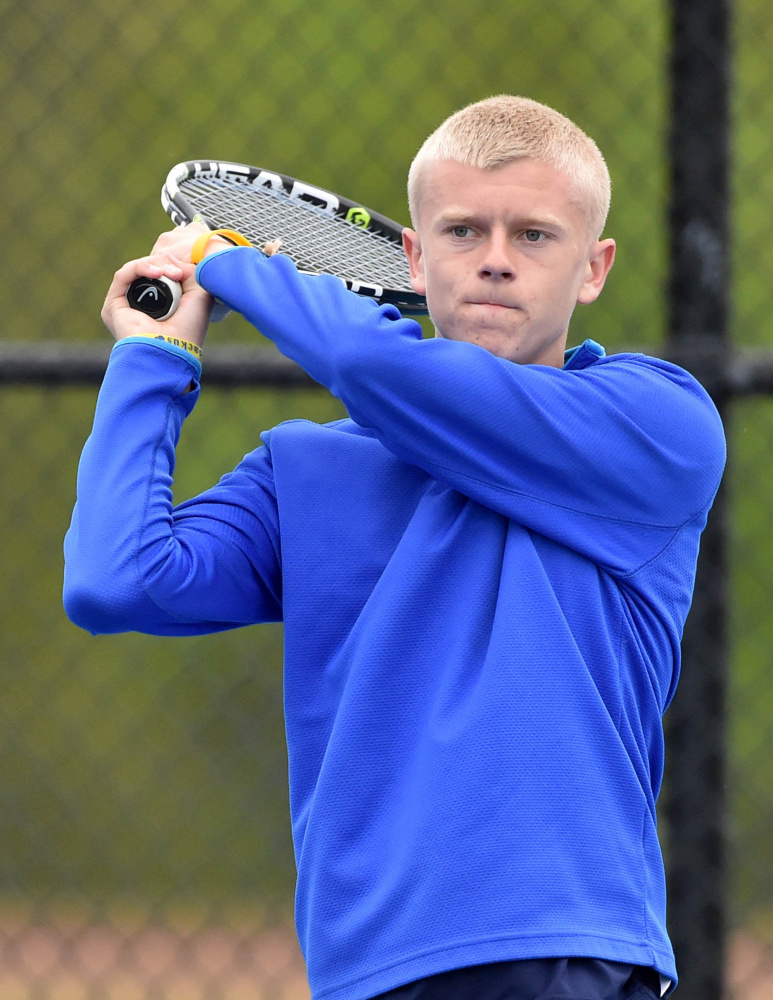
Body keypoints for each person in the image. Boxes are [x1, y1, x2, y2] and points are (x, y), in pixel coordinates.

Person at [64, 96, 726, 1000]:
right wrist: (152, 363)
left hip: (570, 949)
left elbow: (383, 370)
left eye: (533, 235)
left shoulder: (656, 425)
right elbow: (117, 580)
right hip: (367, 971)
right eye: (462, 229)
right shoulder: (304, 469)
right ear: (412, 258)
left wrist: (228, 259)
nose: (495, 258)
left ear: (592, 269)